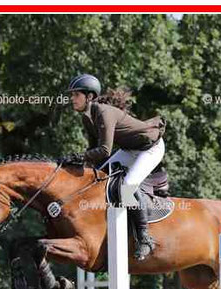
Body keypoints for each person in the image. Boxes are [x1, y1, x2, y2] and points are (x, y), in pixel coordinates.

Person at [65, 73, 165, 260]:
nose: (72, 98)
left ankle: (144, 237)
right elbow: (93, 153)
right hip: (129, 149)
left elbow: (104, 150)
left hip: (150, 148)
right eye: (72, 95)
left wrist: (80, 156)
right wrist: (77, 163)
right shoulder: (87, 118)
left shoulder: (104, 113)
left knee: (127, 186)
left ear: (89, 96)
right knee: (99, 177)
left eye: (76, 94)